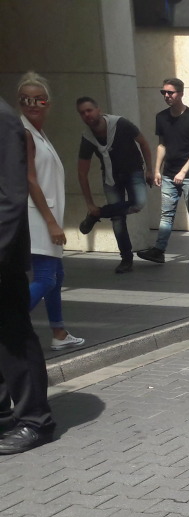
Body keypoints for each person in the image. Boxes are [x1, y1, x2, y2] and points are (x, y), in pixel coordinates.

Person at [0, 87, 58, 454]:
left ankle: (35, 420)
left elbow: (11, 194)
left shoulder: (3, 119)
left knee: (14, 336)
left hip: (2, 254)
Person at [19, 73, 84, 352]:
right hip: (38, 218)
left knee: (56, 276)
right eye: (26, 99)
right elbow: (30, 179)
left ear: (48, 103)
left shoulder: (38, 133)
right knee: (46, 278)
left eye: (39, 99)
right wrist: (50, 223)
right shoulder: (24, 133)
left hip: (46, 216)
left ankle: (58, 332)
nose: (33, 104)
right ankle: (6, 323)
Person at [75, 97, 153, 274]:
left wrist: (150, 169)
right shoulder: (88, 137)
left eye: (89, 110)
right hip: (111, 178)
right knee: (118, 219)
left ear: (98, 109)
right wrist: (89, 203)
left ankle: (98, 214)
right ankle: (126, 259)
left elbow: (143, 143)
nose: (87, 115)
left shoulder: (120, 124)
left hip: (133, 171)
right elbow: (82, 172)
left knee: (138, 203)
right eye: (82, 112)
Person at [140, 77, 189, 266]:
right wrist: (156, 170)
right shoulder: (161, 117)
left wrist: (183, 171)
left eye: (170, 92)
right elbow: (162, 145)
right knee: (166, 214)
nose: (166, 96)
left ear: (181, 94)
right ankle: (159, 250)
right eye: (164, 92)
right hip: (168, 174)